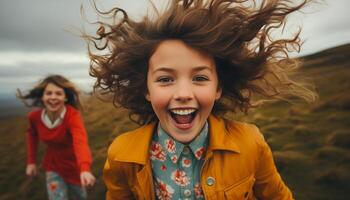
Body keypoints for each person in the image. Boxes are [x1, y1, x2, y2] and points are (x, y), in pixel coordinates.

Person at [86, 0, 316, 199]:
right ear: (146, 89)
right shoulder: (122, 154)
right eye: (165, 79)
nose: (184, 93)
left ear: (218, 87)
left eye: (199, 77)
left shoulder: (251, 144)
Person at [17, 75, 96, 200]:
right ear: (42, 97)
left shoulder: (72, 116)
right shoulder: (34, 117)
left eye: (58, 93)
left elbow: (80, 142)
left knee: (80, 197)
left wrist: (85, 169)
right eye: (49, 93)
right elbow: (32, 134)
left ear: (65, 97)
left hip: (75, 168)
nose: (53, 97)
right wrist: (31, 162)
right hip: (53, 166)